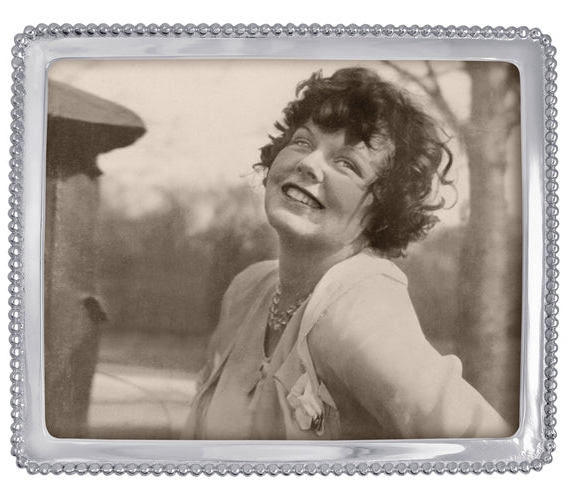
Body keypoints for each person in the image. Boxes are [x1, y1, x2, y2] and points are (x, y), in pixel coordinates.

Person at [185, 67, 513, 440]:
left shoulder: (359, 306)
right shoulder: (248, 290)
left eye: (347, 164)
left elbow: (484, 443)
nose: (308, 164)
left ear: (384, 208)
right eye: (303, 142)